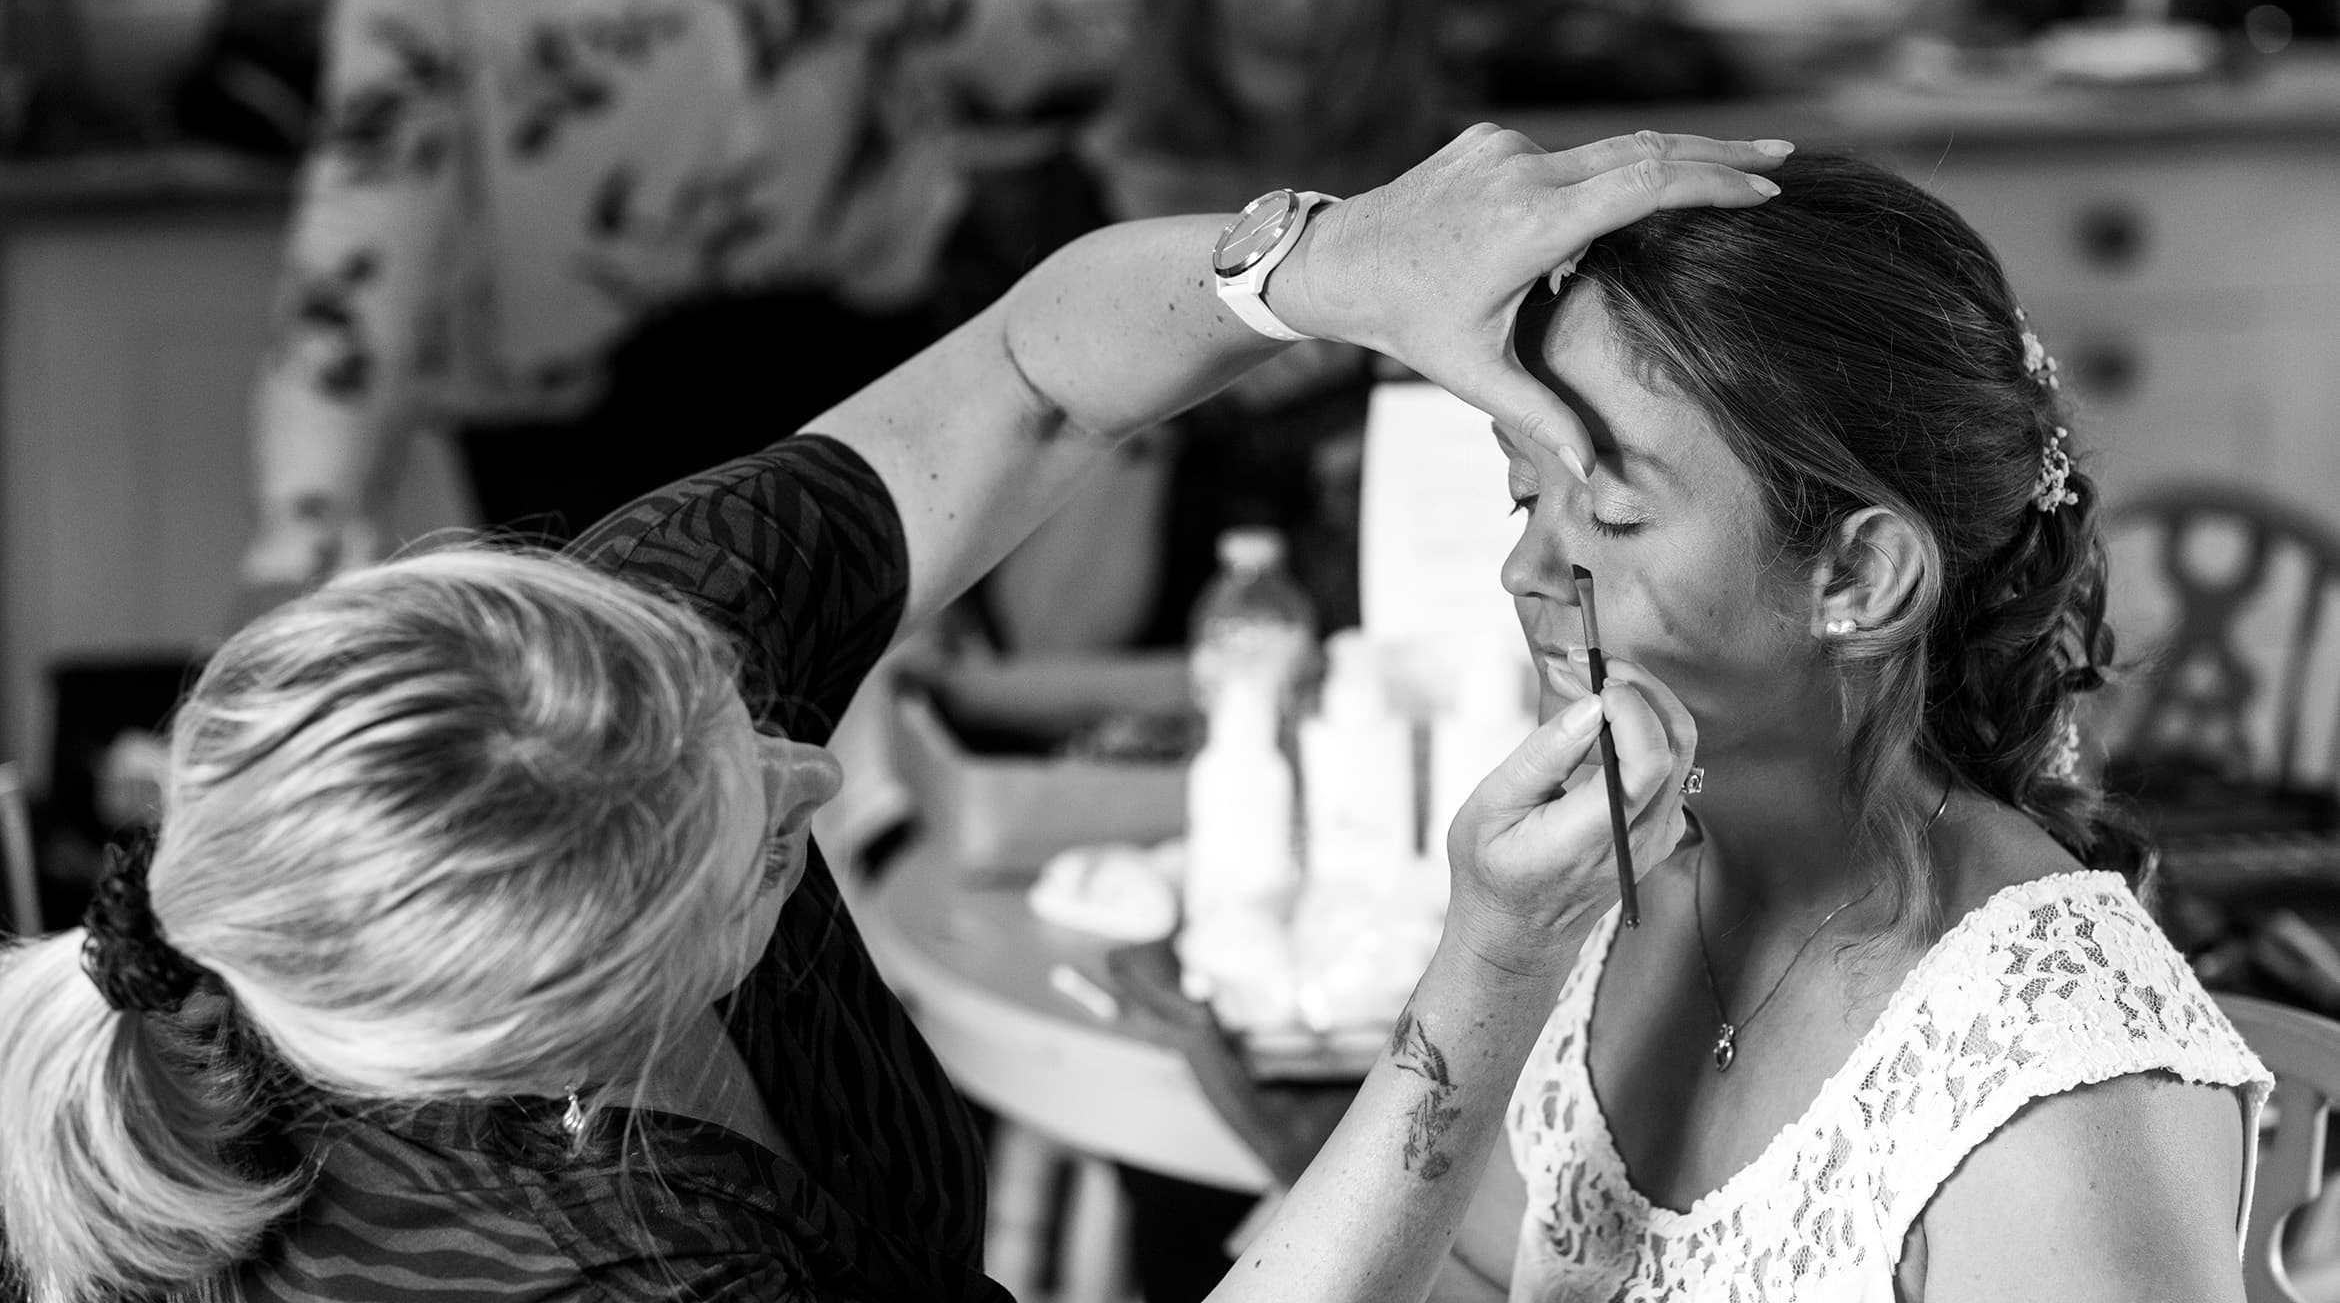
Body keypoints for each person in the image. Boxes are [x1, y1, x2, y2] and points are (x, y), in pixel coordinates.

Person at [0, 128, 1787, 1303]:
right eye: (742, 837)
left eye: (732, 711)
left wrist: (1324, 269)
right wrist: (1483, 978)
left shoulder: (610, 662)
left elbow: (1027, 377)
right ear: (585, 1031)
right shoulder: (618, 1274)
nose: (817, 764)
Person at [1437, 151, 2271, 1302]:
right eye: (1527, 494)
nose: (1522, 569)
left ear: (1860, 576)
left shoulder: (2056, 1079)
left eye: (1614, 513)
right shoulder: (1605, 900)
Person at [241, 0, 1061, 594]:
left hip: (867, 385)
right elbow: (375, 180)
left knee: (871, 720)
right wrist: (300, 533)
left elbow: (1025, 59)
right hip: (574, 437)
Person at [967, 0, 1446, 651]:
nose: (1302, 2)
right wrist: (1191, 337)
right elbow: (1051, 635)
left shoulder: (1451, 208)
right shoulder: (1044, 224)